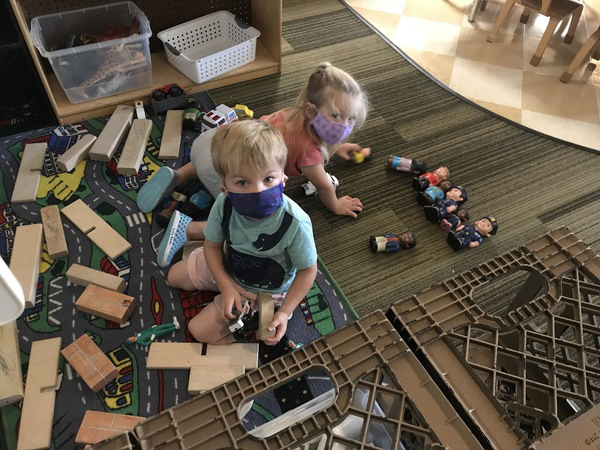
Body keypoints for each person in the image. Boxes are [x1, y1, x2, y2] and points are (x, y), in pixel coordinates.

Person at [137, 62, 369, 264]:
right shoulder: (310, 152)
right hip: (227, 172)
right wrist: (336, 205)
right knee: (248, 219)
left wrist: (337, 147)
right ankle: (189, 229)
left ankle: (178, 176)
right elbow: (324, 185)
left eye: (350, 118)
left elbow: (321, 134)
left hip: (211, 144)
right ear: (312, 110)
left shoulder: (294, 114)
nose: (345, 126)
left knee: (220, 160)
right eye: (337, 116)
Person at [165, 120, 317, 346]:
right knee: (173, 276)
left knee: (199, 331)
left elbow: (307, 272)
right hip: (228, 267)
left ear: (283, 178)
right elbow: (212, 245)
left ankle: (249, 323)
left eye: (268, 179)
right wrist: (226, 285)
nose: (257, 190)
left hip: (263, 293)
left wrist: (284, 313)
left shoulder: (296, 223)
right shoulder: (224, 203)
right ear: (224, 186)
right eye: (243, 182)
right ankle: (225, 290)